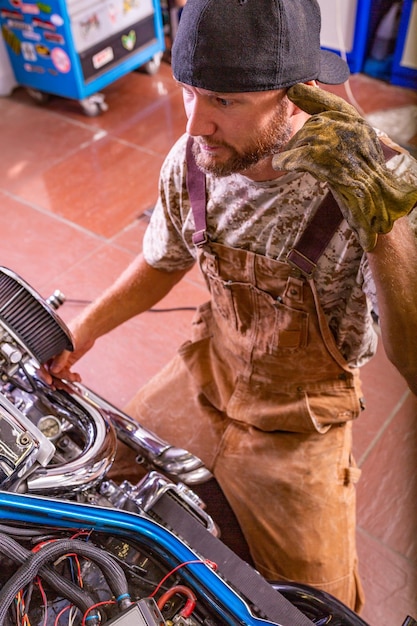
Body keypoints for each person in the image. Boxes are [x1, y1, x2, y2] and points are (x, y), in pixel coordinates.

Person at [45, 0, 417, 614]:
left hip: (302, 422)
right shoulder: (192, 162)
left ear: (295, 96)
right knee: (96, 492)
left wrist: (385, 226)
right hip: (205, 374)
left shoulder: (377, 181)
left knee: (314, 607)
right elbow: (162, 263)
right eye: (188, 92)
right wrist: (80, 335)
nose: (196, 124)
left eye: (225, 101)